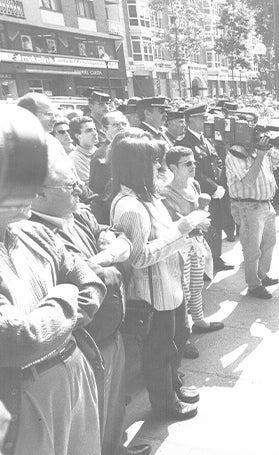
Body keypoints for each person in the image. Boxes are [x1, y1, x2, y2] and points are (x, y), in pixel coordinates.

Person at [0, 105, 105, 455]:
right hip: (27, 395)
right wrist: (64, 293)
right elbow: (20, 340)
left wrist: (55, 316)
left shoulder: (32, 231)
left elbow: (91, 281)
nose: (30, 193)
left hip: (74, 370)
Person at [29, 155, 151, 455]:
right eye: (70, 185)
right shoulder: (36, 233)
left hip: (112, 330)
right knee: (90, 417)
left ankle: (114, 448)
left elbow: (112, 234)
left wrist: (110, 248)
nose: (80, 189)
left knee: (113, 403)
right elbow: (94, 280)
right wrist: (109, 264)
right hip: (86, 341)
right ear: (39, 192)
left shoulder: (79, 214)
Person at [110, 128, 208, 421]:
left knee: (176, 340)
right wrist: (182, 230)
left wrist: (185, 230)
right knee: (159, 352)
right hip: (153, 295)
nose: (159, 166)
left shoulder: (147, 196)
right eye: (153, 161)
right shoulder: (130, 207)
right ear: (138, 165)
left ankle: (173, 388)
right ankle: (165, 404)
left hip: (169, 286)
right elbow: (138, 257)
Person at [161, 146, 224, 334]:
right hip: (180, 247)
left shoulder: (194, 184)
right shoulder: (165, 193)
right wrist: (197, 222)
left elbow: (200, 211)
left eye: (194, 162)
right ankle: (183, 333)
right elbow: (171, 223)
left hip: (196, 244)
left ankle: (199, 320)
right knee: (183, 290)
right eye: (187, 163)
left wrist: (203, 217)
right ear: (172, 167)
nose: (193, 166)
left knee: (196, 285)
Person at [224, 126, 279, 299]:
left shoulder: (260, 151)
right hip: (248, 206)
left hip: (266, 205)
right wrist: (261, 155)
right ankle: (253, 285)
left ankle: (262, 275)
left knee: (269, 243)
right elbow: (248, 181)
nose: (261, 138)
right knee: (252, 248)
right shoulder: (235, 153)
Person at [176, 103, 234, 272]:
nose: (205, 121)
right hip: (199, 193)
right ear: (190, 121)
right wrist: (213, 187)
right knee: (204, 228)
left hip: (214, 192)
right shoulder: (185, 142)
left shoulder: (206, 140)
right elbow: (194, 171)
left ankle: (215, 258)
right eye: (201, 118)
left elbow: (218, 163)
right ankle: (203, 262)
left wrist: (221, 184)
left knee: (216, 224)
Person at [69, 115, 99, 185]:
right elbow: (91, 185)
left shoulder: (100, 151)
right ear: (77, 136)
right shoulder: (75, 158)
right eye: (89, 130)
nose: (95, 133)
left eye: (95, 129)